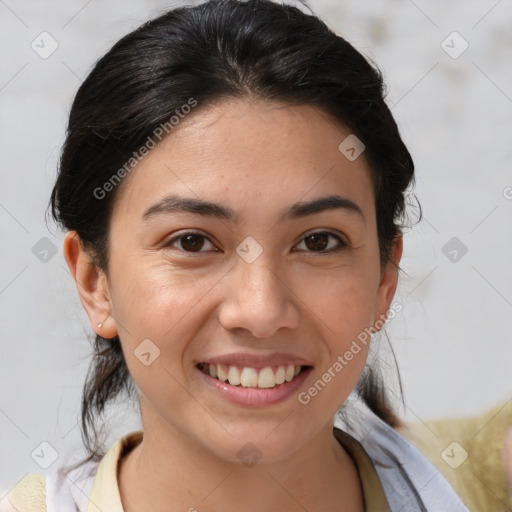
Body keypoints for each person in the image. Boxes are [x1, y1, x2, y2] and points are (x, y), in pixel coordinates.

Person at [6, 0, 472, 510]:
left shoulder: (482, 486)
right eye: (192, 242)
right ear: (95, 282)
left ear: (385, 279)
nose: (261, 311)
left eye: (318, 241)